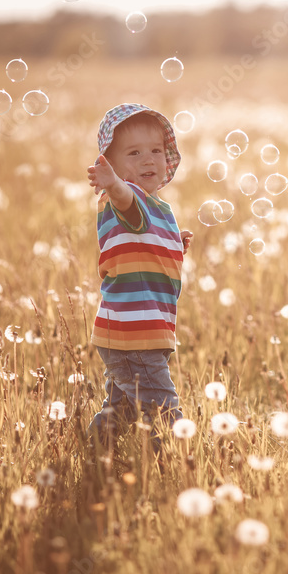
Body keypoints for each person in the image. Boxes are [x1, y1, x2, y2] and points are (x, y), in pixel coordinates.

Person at [85, 103, 193, 452]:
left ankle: (94, 452)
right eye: (134, 153)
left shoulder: (159, 207)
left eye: (156, 151)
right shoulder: (123, 200)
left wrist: (174, 245)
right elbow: (127, 203)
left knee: (122, 409)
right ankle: (174, 465)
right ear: (110, 165)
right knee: (164, 408)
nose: (149, 160)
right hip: (135, 334)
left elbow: (144, 246)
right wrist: (114, 183)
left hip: (144, 330)